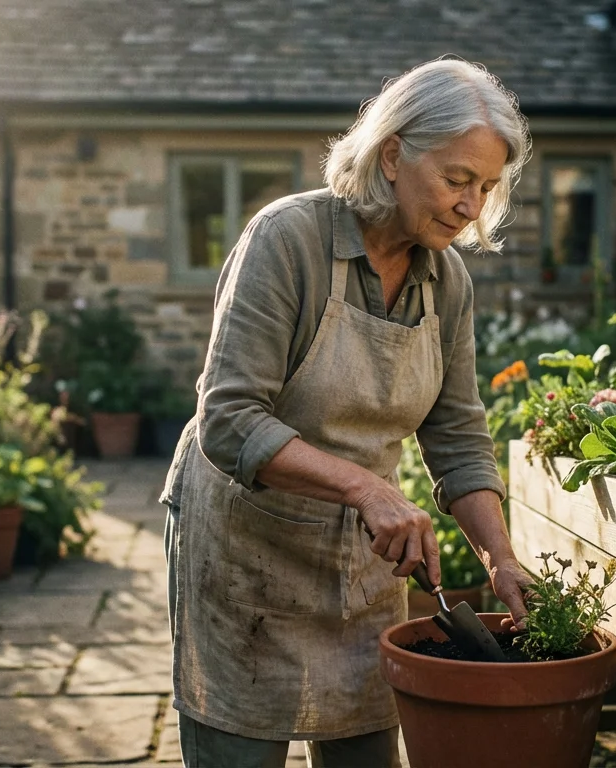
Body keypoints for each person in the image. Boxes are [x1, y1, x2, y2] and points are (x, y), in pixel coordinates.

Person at [160, 58, 535, 768]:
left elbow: (456, 434)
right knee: (239, 750)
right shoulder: (289, 240)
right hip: (246, 549)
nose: (471, 206)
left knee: (366, 750)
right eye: (458, 180)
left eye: (486, 188)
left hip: (362, 561)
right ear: (393, 154)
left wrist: (500, 558)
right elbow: (229, 420)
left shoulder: (446, 278)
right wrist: (366, 488)